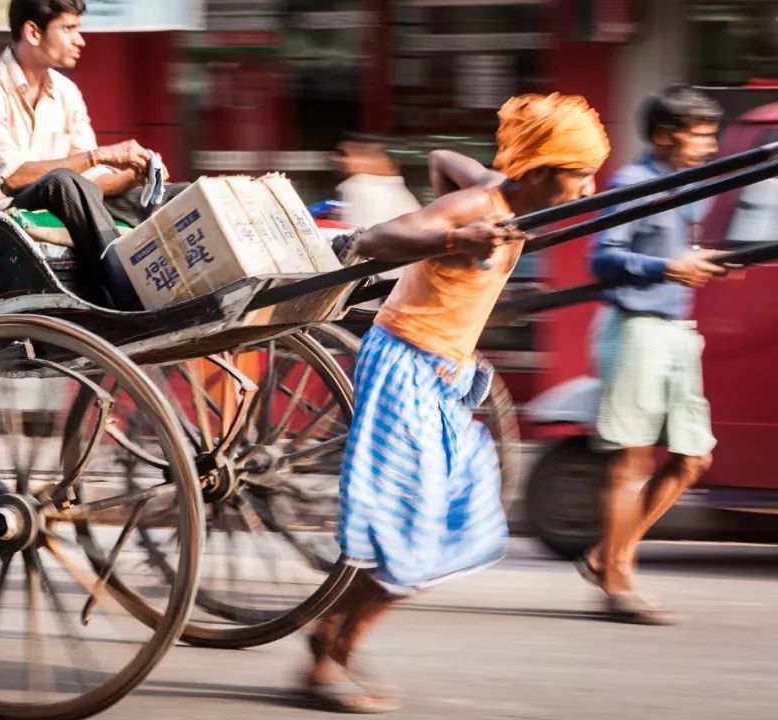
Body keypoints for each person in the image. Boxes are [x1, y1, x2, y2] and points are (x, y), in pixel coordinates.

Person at [297, 93, 610, 713]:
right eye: (579, 174)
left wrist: (466, 219)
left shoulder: (501, 194)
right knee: (417, 532)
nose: (588, 188)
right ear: (541, 173)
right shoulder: (477, 208)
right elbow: (376, 237)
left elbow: (443, 158)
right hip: (403, 368)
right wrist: (453, 237)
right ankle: (328, 656)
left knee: (458, 519)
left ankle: (332, 642)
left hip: (440, 374)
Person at [580, 85, 727, 624]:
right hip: (635, 329)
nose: (710, 146)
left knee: (693, 459)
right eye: (700, 136)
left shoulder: (689, 185)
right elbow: (603, 258)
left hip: (675, 329)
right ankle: (618, 584)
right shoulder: (633, 183)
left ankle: (606, 556)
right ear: (666, 136)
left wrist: (694, 262)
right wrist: (667, 267)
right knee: (631, 462)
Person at [0, 0, 183, 309]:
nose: (80, 40)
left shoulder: (67, 92)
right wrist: (98, 155)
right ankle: (128, 299)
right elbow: (12, 177)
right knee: (61, 181)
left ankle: (194, 282)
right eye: (68, 29)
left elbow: (90, 183)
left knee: (167, 195)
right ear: (33, 32)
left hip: (63, 199)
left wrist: (133, 177)